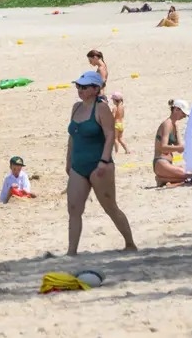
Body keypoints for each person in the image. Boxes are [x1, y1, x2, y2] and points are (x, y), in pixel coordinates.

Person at [65, 70, 136, 256]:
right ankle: (71, 252)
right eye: (78, 86)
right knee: (73, 208)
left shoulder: (101, 108)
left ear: (95, 89)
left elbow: (110, 134)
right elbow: (72, 136)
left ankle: (130, 243)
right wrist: (68, 160)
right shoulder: (76, 107)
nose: (80, 89)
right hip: (78, 166)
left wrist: (104, 161)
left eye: (84, 86)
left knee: (110, 207)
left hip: (99, 164)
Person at [155, 99, 191, 186]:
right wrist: (180, 147)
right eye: (183, 113)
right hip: (161, 162)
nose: (184, 116)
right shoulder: (167, 124)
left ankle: (163, 179)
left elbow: (180, 149)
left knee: (191, 175)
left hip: (167, 163)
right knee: (190, 175)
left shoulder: (175, 125)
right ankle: (164, 179)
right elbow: (163, 147)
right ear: (176, 110)